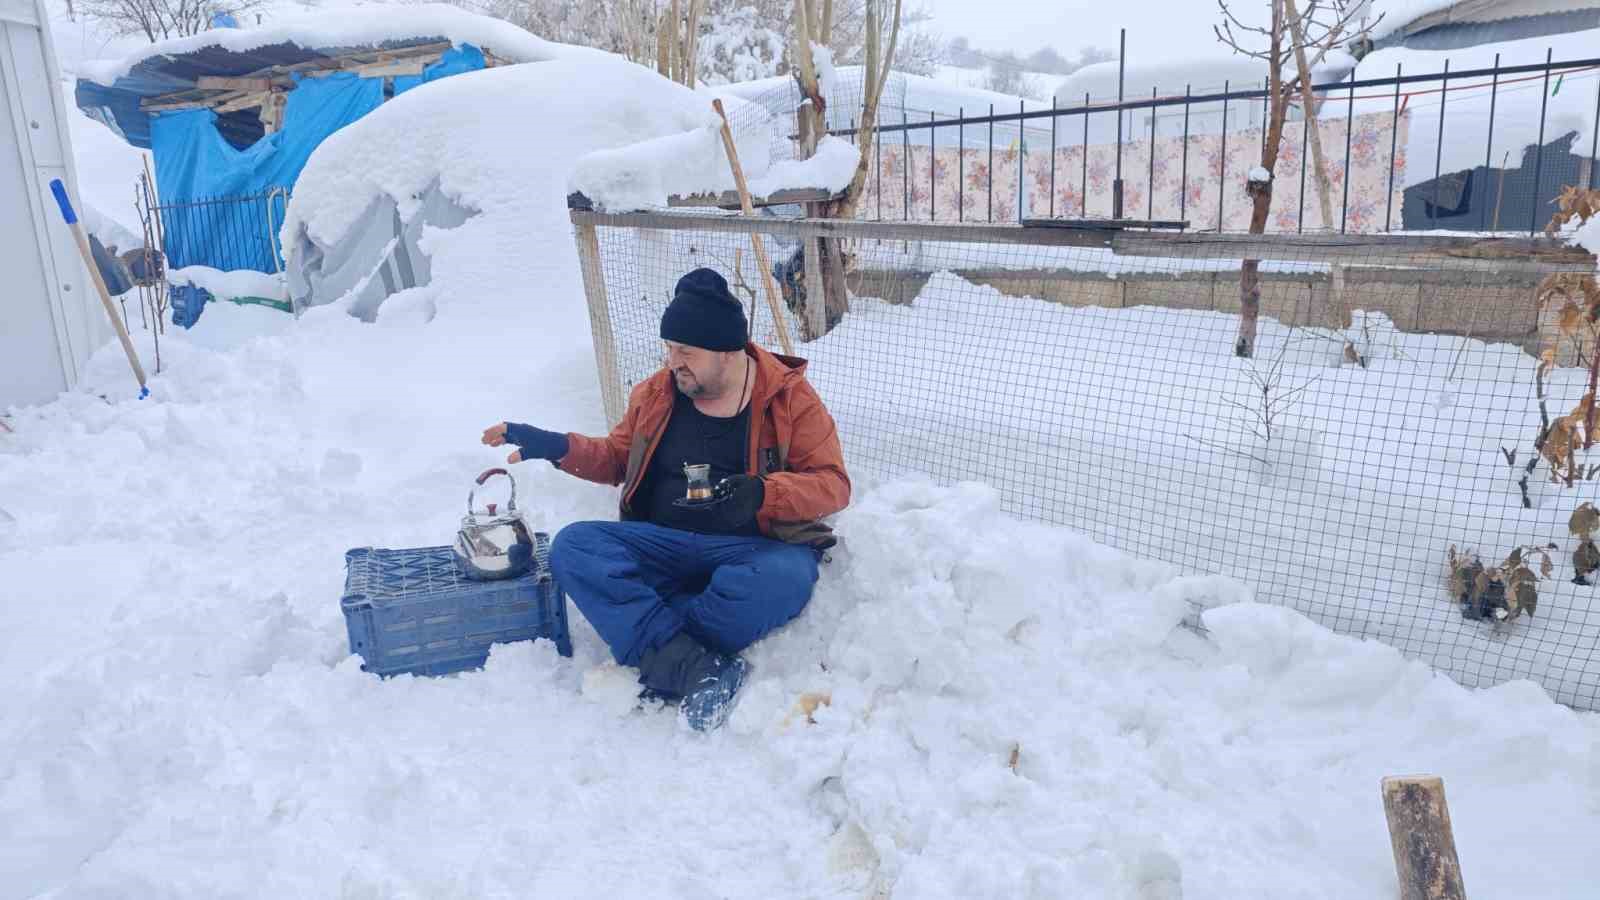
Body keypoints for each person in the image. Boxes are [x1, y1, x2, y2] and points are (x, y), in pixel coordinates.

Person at [482, 268, 851, 730]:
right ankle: (698, 663)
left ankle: (659, 643)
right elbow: (617, 459)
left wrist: (764, 493)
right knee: (574, 547)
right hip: (660, 542)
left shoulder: (789, 399)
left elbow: (833, 485)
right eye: (670, 349)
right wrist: (554, 446)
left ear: (726, 352)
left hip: (745, 549)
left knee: (787, 575)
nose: (673, 361)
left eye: (686, 352)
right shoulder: (657, 393)